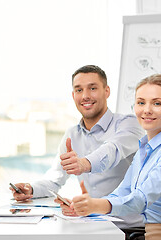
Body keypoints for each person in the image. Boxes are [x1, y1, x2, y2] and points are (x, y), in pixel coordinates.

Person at [61, 74, 161, 240]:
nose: (147, 110)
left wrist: (95, 205)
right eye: (141, 102)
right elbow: (122, 193)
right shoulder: (144, 150)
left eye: (157, 103)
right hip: (150, 233)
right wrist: (85, 207)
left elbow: (141, 199)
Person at [10, 65, 145, 232]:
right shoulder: (72, 134)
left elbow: (113, 150)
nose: (85, 96)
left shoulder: (130, 124)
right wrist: (30, 189)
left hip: (128, 229)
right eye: (79, 90)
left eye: (93, 88)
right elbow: (55, 179)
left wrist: (84, 164)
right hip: (92, 225)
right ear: (73, 95)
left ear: (107, 91)